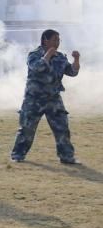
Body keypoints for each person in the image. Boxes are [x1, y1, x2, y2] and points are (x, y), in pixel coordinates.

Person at [10, 28, 81, 165]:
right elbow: (37, 68)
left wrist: (76, 60)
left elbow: (72, 72)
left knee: (62, 128)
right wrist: (48, 54)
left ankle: (67, 157)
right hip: (34, 99)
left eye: (59, 40)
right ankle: (17, 155)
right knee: (27, 129)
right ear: (45, 40)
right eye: (55, 40)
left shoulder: (60, 57)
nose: (58, 42)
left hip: (53, 99)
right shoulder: (34, 55)